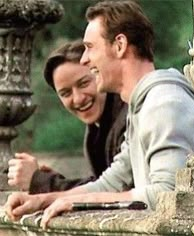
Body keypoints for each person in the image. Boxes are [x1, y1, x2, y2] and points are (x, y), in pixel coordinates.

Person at [5, 0, 194, 229]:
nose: (84, 59)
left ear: (120, 45)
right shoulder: (144, 106)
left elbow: (168, 195)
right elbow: (112, 183)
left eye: (90, 47)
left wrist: (78, 203)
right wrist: (40, 200)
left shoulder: (164, 103)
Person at [7, 39, 127, 193]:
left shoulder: (127, 119)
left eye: (83, 84)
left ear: (100, 74)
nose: (78, 99)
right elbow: (100, 183)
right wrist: (54, 181)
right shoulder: (97, 129)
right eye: (66, 93)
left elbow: (117, 189)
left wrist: (41, 182)